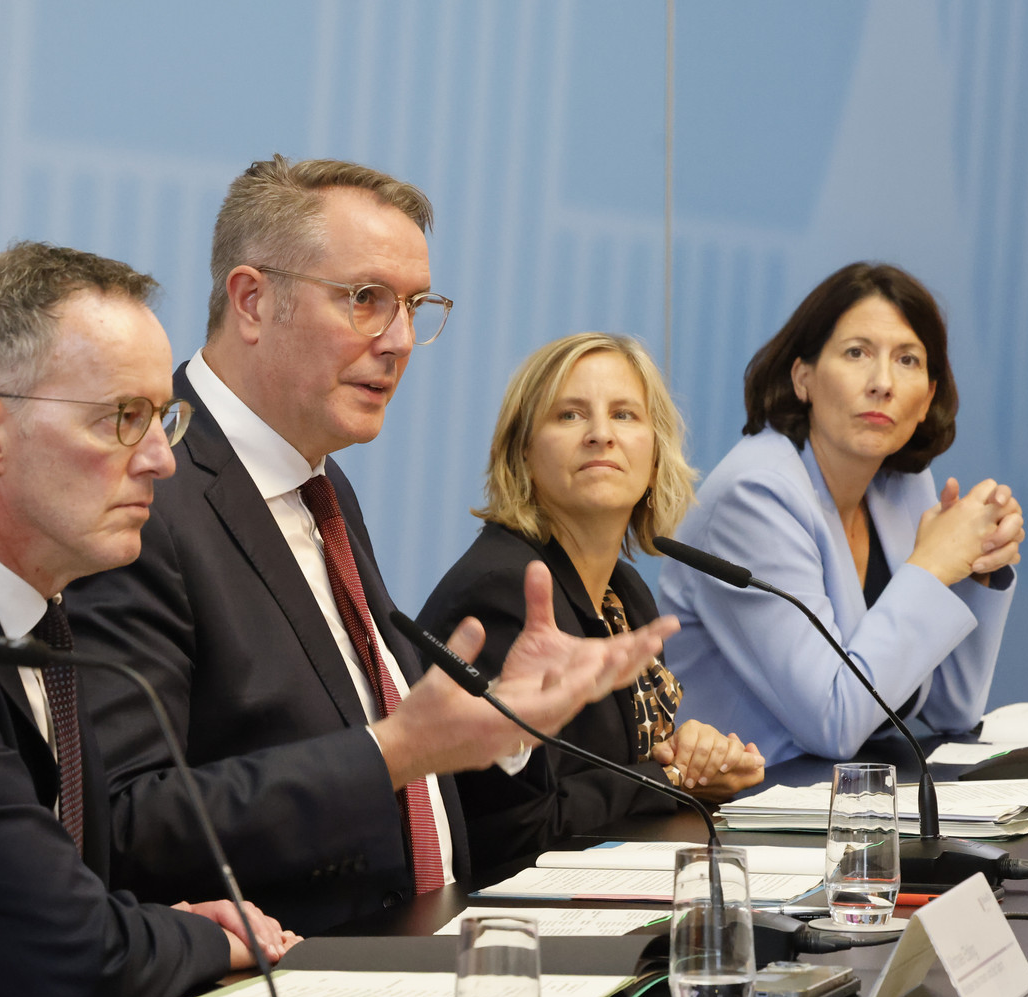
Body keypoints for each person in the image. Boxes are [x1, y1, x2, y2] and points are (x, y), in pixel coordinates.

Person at [66, 157, 675, 934]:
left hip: (426, 949)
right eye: (366, 300)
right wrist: (388, 751)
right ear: (251, 300)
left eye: (415, 306)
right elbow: (127, 821)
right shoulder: (148, 490)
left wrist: (503, 726)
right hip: (284, 981)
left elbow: (421, 783)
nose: (400, 341)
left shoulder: (323, 486)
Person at [0, 243, 299, 997]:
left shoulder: (34, 595)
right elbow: (76, 952)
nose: (161, 458)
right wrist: (211, 937)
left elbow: (70, 906)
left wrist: (141, 926)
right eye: (124, 418)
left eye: (165, 418)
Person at [416, 334, 765, 867]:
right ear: (523, 454)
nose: (601, 435)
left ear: (654, 458)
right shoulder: (503, 592)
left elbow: (628, 774)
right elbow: (517, 827)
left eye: (625, 415)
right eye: (570, 415)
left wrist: (699, 760)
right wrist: (673, 778)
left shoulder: (626, 593)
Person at [660, 262, 1022, 764]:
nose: (882, 383)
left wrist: (976, 570)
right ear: (803, 377)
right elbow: (833, 722)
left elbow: (950, 708)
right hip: (743, 806)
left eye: (908, 361)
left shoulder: (901, 484)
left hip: (845, 798)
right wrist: (934, 565)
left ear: (928, 398)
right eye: (857, 353)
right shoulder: (755, 495)